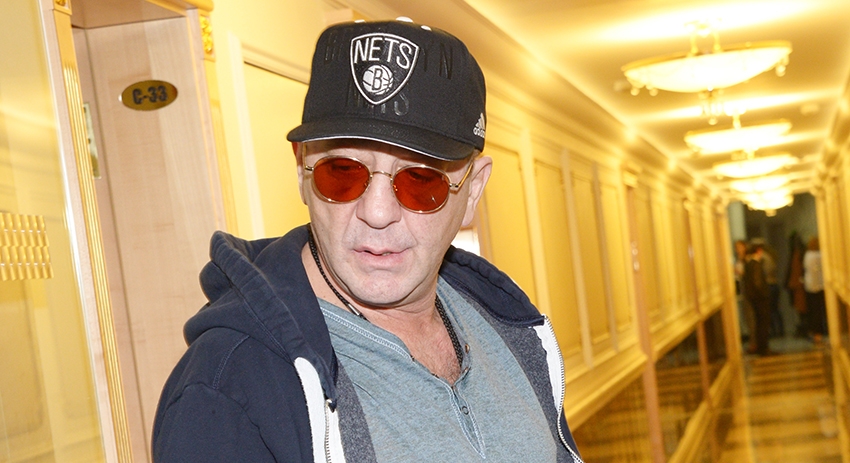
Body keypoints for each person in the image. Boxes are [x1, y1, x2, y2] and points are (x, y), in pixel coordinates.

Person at [151, 18, 583, 462]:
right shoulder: (226, 391)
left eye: (420, 181)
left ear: (472, 191)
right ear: (302, 170)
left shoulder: (511, 328)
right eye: (342, 173)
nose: (376, 213)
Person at [742, 241, 774, 356]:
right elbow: (758, 283)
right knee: (763, 323)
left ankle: (760, 347)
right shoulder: (756, 264)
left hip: (753, 299)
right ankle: (764, 347)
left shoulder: (748, 264)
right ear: (759, 251)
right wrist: (764, 294)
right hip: (760, 298)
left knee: (758, 322)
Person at [734, 239, 757, 353]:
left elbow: (748, 273)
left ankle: (754, 343)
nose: (737, 249)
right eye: (736, 247)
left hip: (748, 291)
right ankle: (753, 342)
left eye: (739, 247)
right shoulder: (739, 259)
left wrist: (738, 272)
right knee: (748, 318)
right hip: (743, 291)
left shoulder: (748, 259)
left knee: (751, 318)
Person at [804, 236, 826, 343]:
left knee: (813, 311)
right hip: (821, 285)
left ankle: (815, 333)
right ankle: (820, 333)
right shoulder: (821, 255)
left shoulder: (807, 255)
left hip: (810, 286)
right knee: (821, 311)